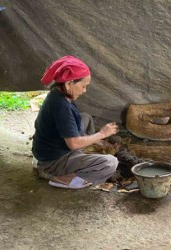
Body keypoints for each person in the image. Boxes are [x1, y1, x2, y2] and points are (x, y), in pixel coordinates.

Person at [32, 55, 119, 189]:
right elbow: (74, 144)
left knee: (86, 117)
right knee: (110, 163)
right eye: (83, 86)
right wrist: (101, 134)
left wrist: (99, 141)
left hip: (46, 150)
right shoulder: (61, 106)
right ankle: (65, 179)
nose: (85, 91)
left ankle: (82, 154)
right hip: (53, 160)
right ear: (68, 84)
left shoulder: (56, 94)